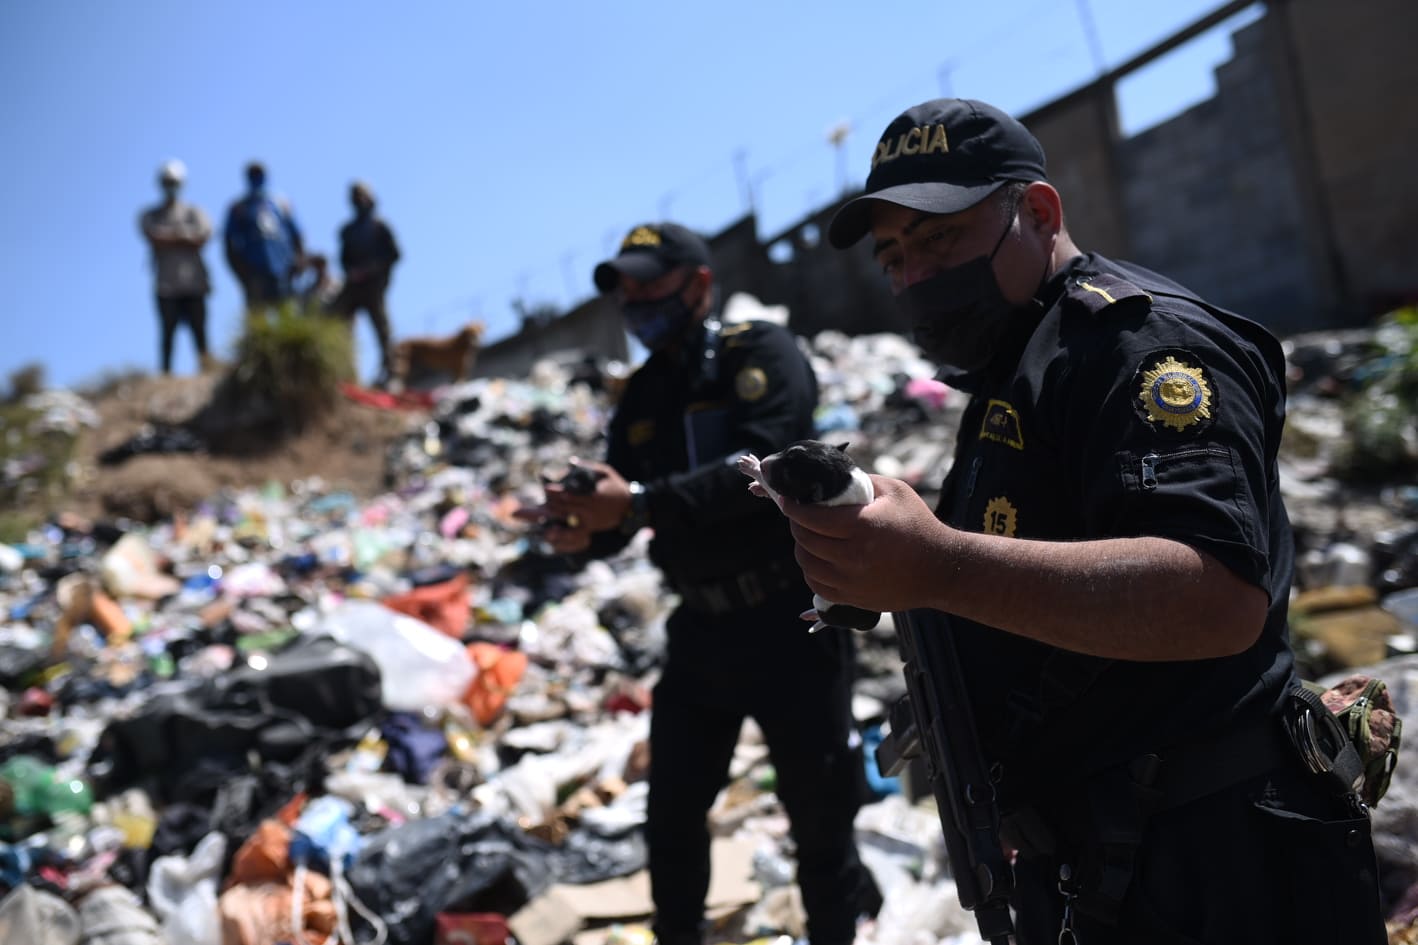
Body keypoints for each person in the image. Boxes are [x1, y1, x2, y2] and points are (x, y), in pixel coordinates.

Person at [782, 97, 1387, 943]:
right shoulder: (1018, 365)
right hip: (1100, 859)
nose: (915, 276)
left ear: (1036, 212)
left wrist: (940, 567)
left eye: (939, 238)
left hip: (1217, 863)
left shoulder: (1136, 346)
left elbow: (1215, 598)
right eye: (894, 256)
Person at [521, 222, 879, 945]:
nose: (636, 301)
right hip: (703, 634)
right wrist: (578, 526)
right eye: (626, 289)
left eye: (649, 284)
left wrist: (642, 502)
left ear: (699, 284)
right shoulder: (642, 394)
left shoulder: (760, 354)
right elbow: (625, 508)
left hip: (791, 622)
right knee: (673, 821)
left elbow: (773, 466)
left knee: (820, 823)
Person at [138, 159, 212, 374]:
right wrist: (184, 236)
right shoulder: (151, 214)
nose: (170, 186)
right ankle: (166, 375)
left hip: (195, 282)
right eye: (167, 182)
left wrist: (170, 236)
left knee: (200, 332)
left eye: (174, 181)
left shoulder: (194, 211)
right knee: (167, 333)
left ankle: (206, 370)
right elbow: (153, 236)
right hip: (166, 285)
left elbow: (204, 236)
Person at [334, 180, 401, 384]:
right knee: (336, 319)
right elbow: (343, 259)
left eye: (362, 196)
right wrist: (352, 272)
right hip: (354, 286)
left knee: (383, 330)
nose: (359, 201)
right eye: (355, 197)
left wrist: (372, 270)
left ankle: (392, 374)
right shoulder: (348, 231)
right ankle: (343, 372)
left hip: (374, 286)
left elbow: (394, 254)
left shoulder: (380, 226)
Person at [223, 161, 304, 314]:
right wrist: (241, 273)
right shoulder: (239, 208)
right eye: (253, 174)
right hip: (255, 272)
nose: (257, 177)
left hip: (283, 270)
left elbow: (297, 234)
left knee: (287, 316)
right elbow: (229, 243)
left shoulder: (281, 203)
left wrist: (299, 260)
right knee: (257, 320)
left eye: (259, 174)